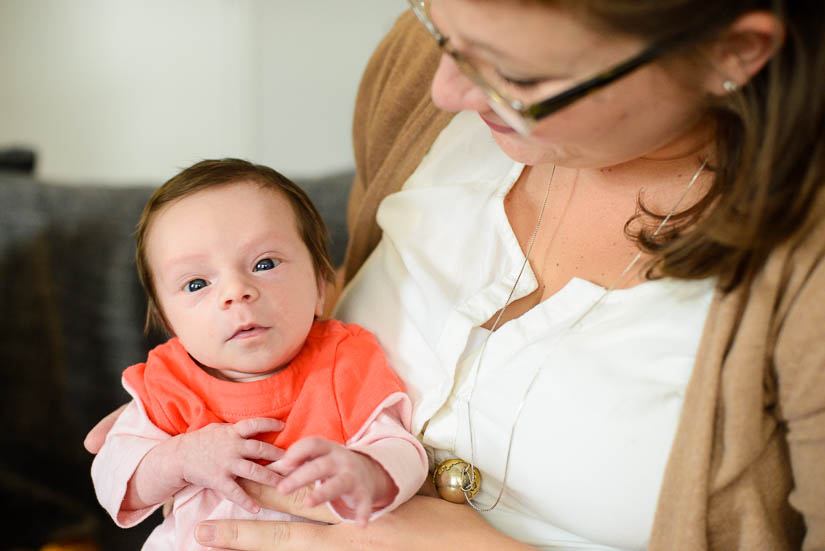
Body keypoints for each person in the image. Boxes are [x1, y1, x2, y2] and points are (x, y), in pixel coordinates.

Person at [87, 1, 825, 549]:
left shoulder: (804, 275)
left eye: (514, 73)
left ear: (734, 51)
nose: (446, 92)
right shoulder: (420, 84)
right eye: (437, 27)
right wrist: (180, 431)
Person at [90, 159, 427, 550]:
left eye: (264, 263)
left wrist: (368, 471)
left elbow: (402, 447)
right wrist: (179, 459)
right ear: (169, 321)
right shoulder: (168, 384)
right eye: (197, 283)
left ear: (321, 285)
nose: (236, 291)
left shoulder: (341, 363)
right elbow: (114, 481)